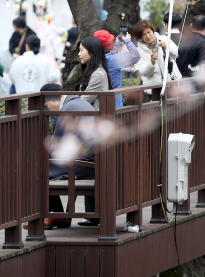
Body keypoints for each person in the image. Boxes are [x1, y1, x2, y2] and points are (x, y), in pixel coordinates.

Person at [40, 82, 96, 229]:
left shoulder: (67, 109)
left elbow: (58, 146)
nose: (46, 107)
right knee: (44, 168)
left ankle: (55, 216)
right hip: (92, 160)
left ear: (53, 98)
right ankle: (59, 216)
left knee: (38, 172)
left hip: (82, 163)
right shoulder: (79, 102)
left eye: (46, 103)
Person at [93, 29, 138, 108]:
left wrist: (117, 45)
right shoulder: (113, 60)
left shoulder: (93, 59)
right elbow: (136, 56)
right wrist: (127, 40)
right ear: (110, 43)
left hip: (98, 105)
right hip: (115, 106)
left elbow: (108, 56)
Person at [131, 20, 180, 89]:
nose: (148, 36)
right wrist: (151, 62)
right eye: (144, 34)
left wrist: (166, 47)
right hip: (154, 89)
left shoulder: (164, 39)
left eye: (149, 32)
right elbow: (144, 72)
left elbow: (177, 54)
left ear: (152, 31)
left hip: (171, 83)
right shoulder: (138, 51)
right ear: (140, 37)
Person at [76, 36, 112, 111]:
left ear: (92, 52)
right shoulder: (89, 71)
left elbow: (84, 100)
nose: (79, 54)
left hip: (93, 119)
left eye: (81, 50)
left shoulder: (98, 74)